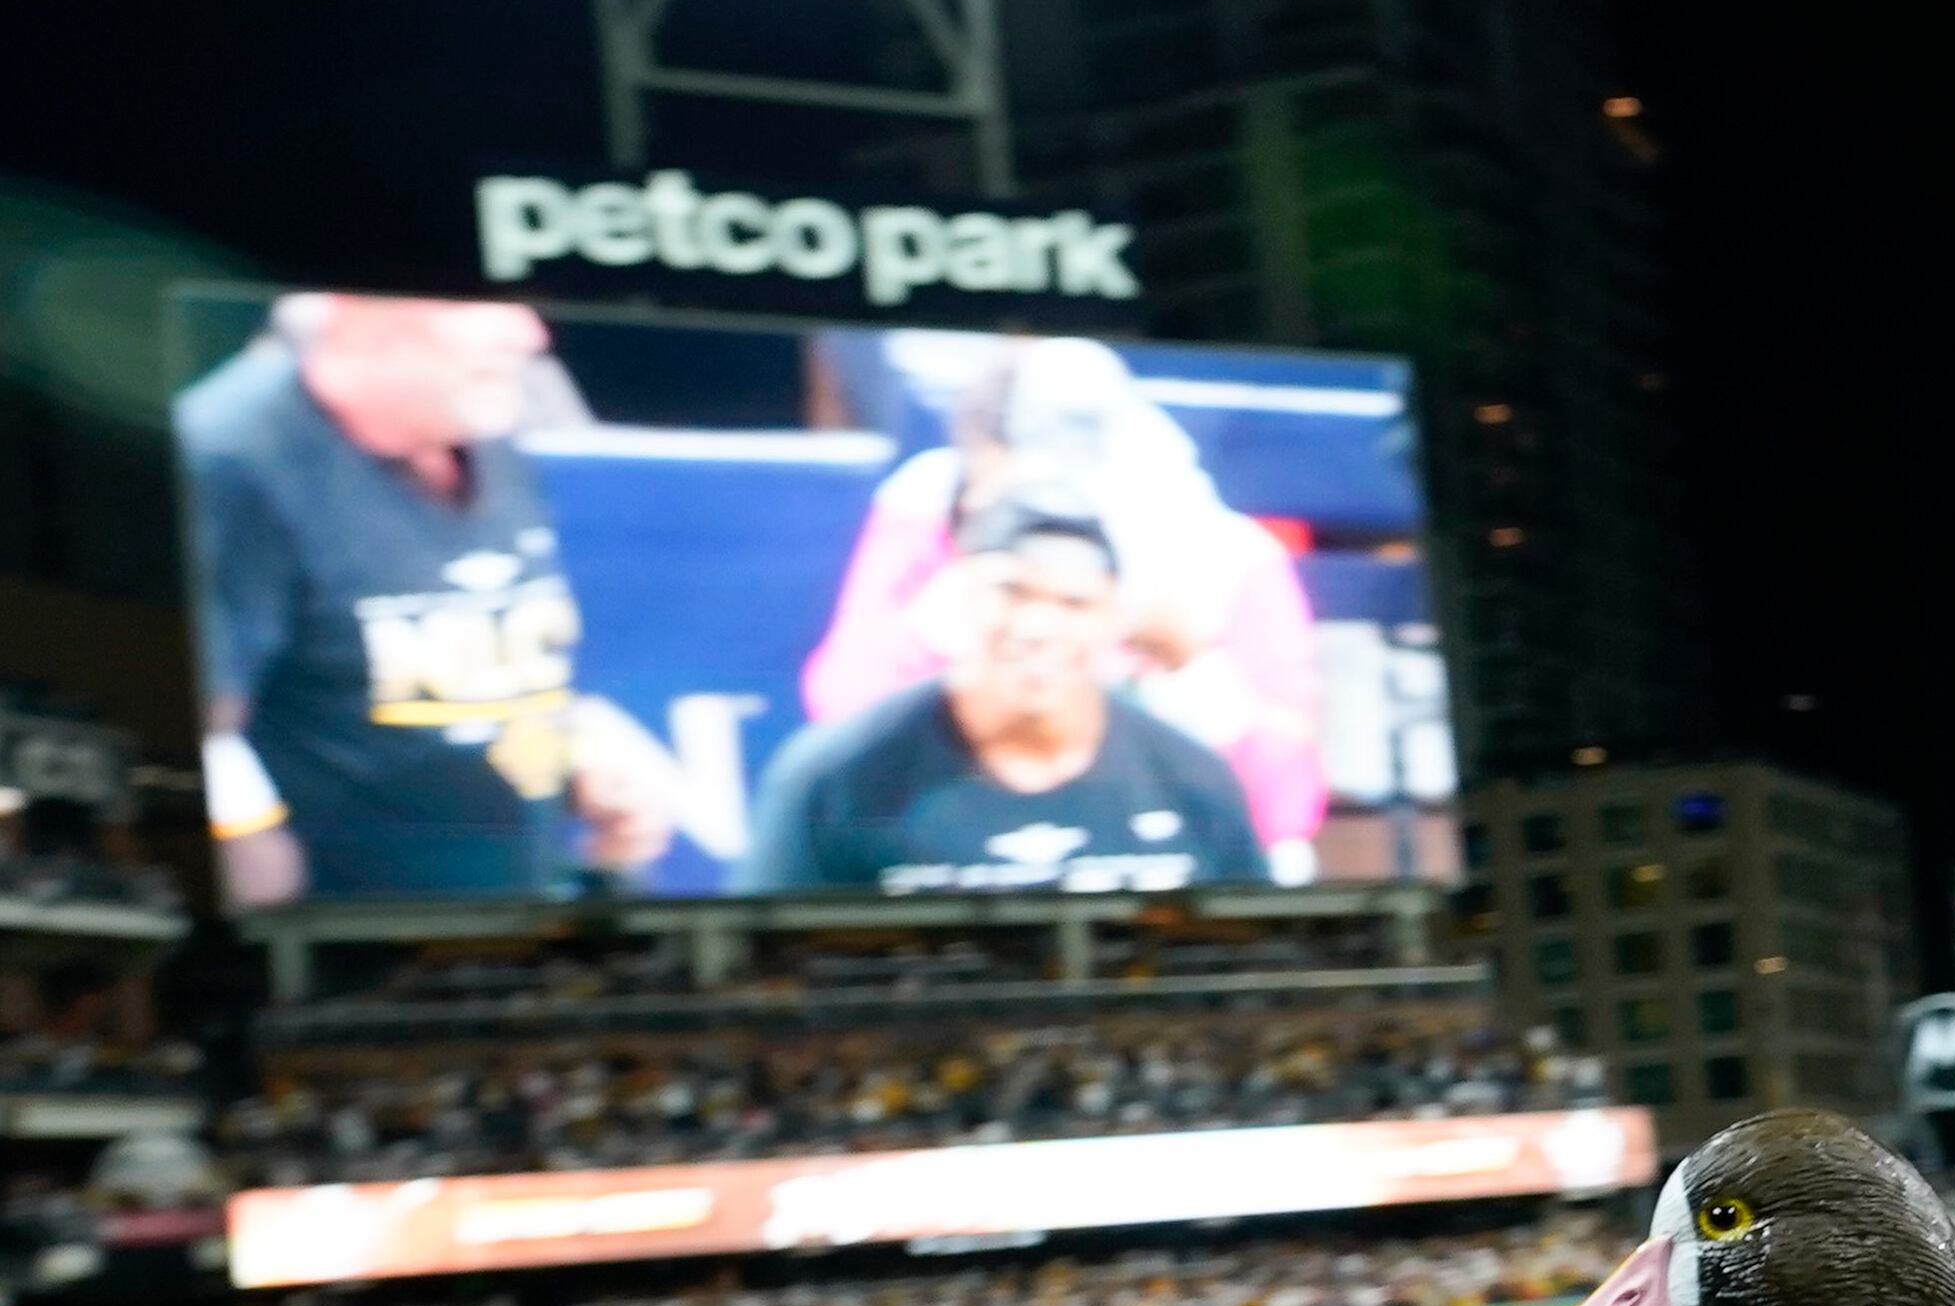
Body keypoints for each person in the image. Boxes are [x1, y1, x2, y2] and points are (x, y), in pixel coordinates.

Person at [175, 295, 682, 903]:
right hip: (356, 933)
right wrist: (252, 856)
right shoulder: (230, 457)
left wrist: (579, 748)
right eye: (480, 303)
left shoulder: (477, 415)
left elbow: (464, 640)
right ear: (360, 316)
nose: (528, 333)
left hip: (517, 908)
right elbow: (198, 719)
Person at [802, 336, 1330, 876]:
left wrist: (1185, 666)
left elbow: (1280, 813)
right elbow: (842, 721)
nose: (1057, 531)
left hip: (1154, 870)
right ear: (986, 463)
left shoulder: (1217, 548)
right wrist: (954, 622)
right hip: (953, 856)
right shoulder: (936, 508)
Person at [738, 494, 1265, 896]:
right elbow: (747, 967)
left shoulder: (1192, 779)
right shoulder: (834, 779)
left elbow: (1263, 961)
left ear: (1112, 621)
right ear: (959, 602)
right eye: (1009, 593)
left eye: (1073, 603)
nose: (1036, 626)